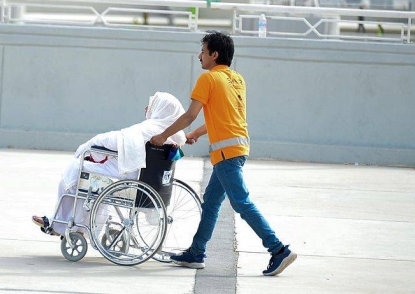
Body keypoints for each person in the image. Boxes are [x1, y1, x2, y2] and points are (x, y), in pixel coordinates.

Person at [150, 31, 297, 276]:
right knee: (211, 204)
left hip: (226, 154)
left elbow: (189, 115)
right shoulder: (237, 79)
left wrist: (163, 136)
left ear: (214, 54)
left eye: (203, 51)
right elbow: (221, 117)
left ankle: (277, 249)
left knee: (241, 203)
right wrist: (194, 134)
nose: (199, 56)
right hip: (236, 149)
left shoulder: (207, 79)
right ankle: (196, 252)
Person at [33, 91, 186, 236]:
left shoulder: (150, 129)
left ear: (161, 109)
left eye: (152, 106)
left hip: (125, 179)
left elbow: (112, 140)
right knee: (87, 179)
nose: (146, 108)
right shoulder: (175, 135)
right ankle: (74, 226)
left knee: (75, 171)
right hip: (145, 182)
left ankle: (60, 224)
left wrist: (87, 147)